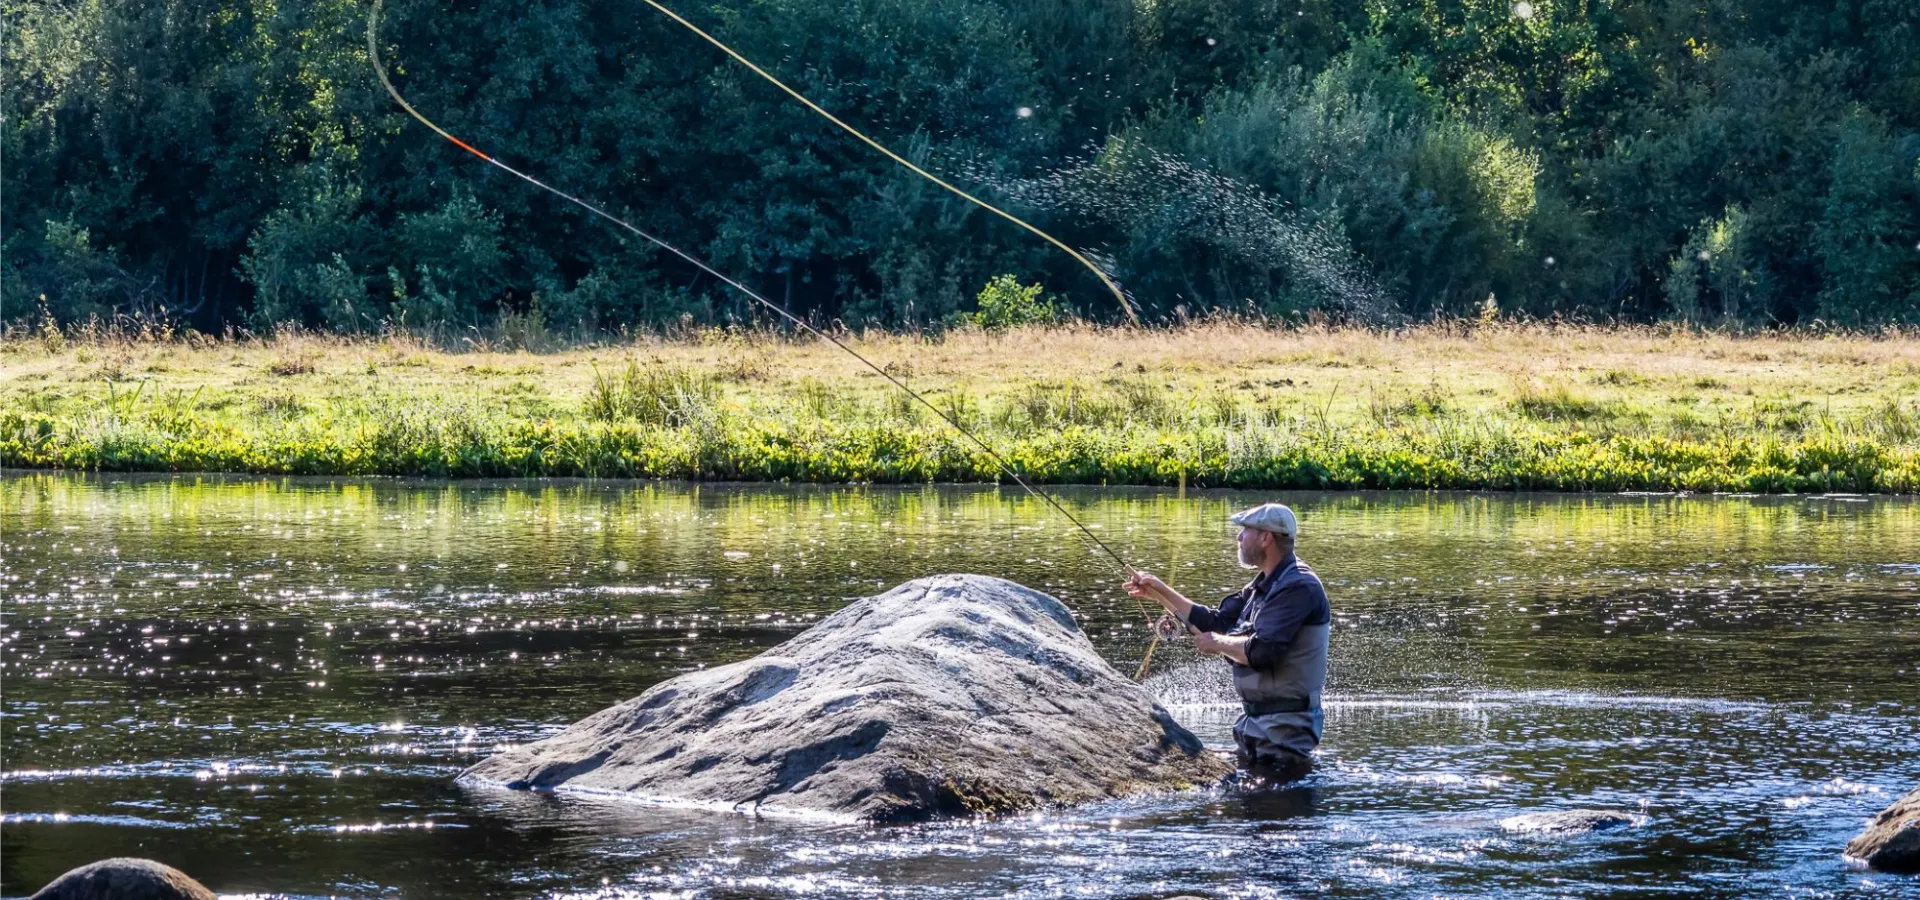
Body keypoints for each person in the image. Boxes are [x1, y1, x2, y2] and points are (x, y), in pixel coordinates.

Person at [1125, 502, 1330, 785]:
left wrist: (1218, 644)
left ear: (1266, 537)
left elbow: (1263, 650)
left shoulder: (1298, 587)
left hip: (1285, 729)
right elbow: (1217, 622)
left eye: (1245, 530)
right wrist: (1159, 592)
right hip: (1258, 726)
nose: (1239, 537)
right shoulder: (1265, 584)